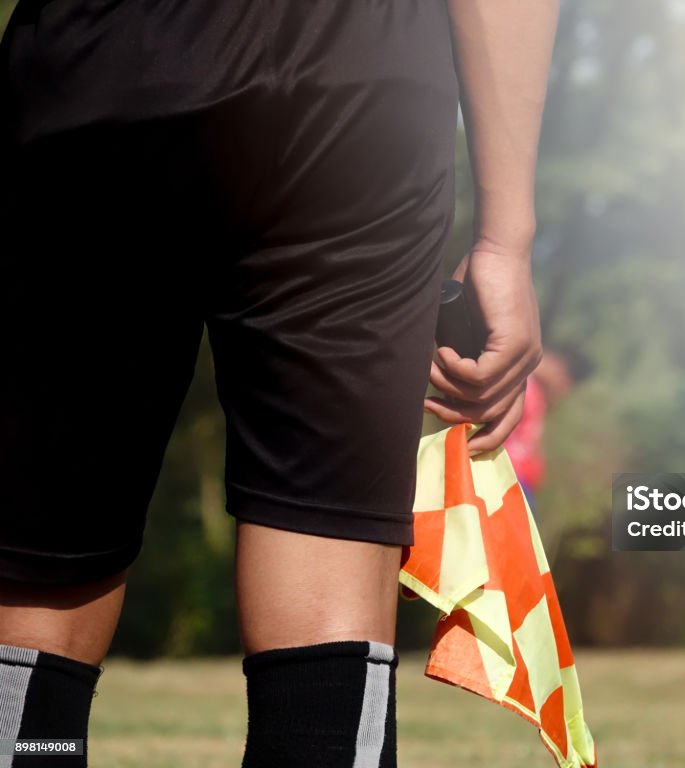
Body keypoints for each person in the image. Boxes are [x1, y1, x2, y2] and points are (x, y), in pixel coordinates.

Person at [0, 1, 558, 766]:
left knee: (36, 604)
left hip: (99, 75)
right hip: (356, 98)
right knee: (329, 614)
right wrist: (506, 237)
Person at [502, 346, 593, 507]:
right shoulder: (521, 383)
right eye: (565, 383)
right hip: (505, 478)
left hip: (517, 481)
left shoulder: (536, 392)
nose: (563, 391)